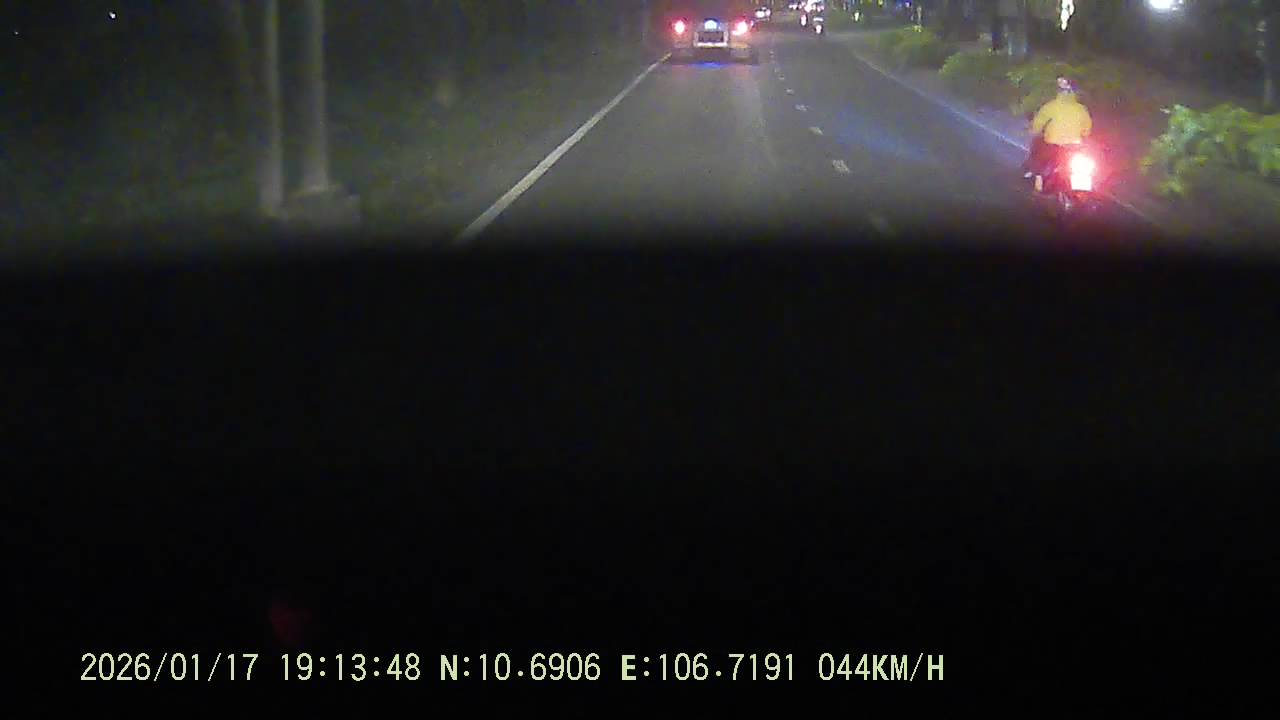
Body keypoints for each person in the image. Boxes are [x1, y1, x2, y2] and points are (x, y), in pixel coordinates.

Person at [1022, 77, 1093, 184]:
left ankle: (1037, 180)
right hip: (1074, 146)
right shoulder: (1081, 109)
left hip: (1053, 144)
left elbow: (1038, 124)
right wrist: (1083, 134)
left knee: (1039, 162)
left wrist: (1033, 130)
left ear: (1059, 91)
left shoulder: (1051, 106)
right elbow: (1087, 129)